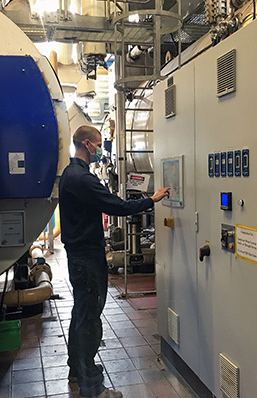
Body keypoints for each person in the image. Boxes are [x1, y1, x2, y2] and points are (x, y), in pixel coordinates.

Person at [59, 125, 170, 398]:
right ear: (87, 144)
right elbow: (116, 206)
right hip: (87, 257)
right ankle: (92, 387)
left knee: (81, 314)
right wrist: (151, 200)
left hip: (79, 255)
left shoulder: (70, 174)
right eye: (99, 143)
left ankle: (77, 370)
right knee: (89, 319)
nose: (102, 148)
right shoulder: (82, 178)